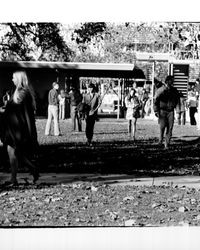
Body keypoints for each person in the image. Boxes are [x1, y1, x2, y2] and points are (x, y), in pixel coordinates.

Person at [0, 70, 39, 185]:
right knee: (15, 153)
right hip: (13, 128)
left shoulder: (23, 93)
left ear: (19, 79)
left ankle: (28, 171)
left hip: (18, 129)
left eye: (13, 77)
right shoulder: (17, 92)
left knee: (15, 153)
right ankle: (18, 176)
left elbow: (24, 113)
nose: (12, 79)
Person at [153, 75, 180, 149]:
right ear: (167, 81)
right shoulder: (160, 90)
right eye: (171, 80)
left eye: (173, 81)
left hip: (171, 111)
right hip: (162, 111)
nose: (173, 82)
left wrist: (178, 112)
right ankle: (160, 140)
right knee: (162, 127)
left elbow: (177, 101)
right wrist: (155, 110)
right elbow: (155, 100)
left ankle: (167, 143)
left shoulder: (174, 90)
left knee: (170, 128)